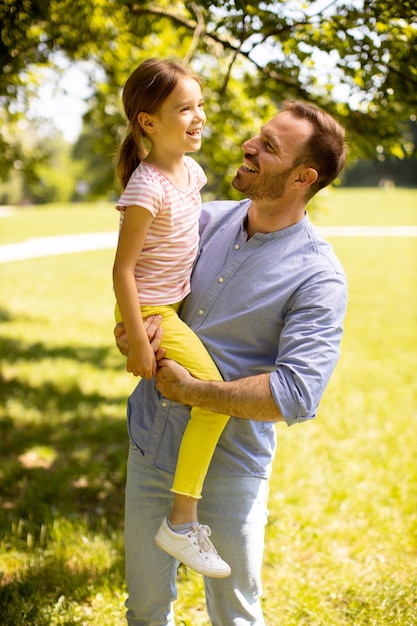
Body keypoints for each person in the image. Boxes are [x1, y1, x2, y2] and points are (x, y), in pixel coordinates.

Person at [115, 99, 348, 625]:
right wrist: (132, 336)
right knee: (145, 610)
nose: (249, 146)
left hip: (231, 469)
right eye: (257, 135)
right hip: (151, 444)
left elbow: (296, 395)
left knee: (235, 614)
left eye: (269, 147)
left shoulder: (319, 276)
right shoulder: (202, 219)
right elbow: (146, 294)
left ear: (302, 176)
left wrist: (194, 393)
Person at [112, 57, 231, 578]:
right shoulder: (147, 187)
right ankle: (181, 521)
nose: (198, 116)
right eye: (185, 108)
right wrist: (139, 339)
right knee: (214, 396)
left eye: (200, 105)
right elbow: (123, 270)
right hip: (151, 309)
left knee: (203, 396)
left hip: (171, 306)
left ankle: (179, 514)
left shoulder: (193, 172)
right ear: (148, 122)